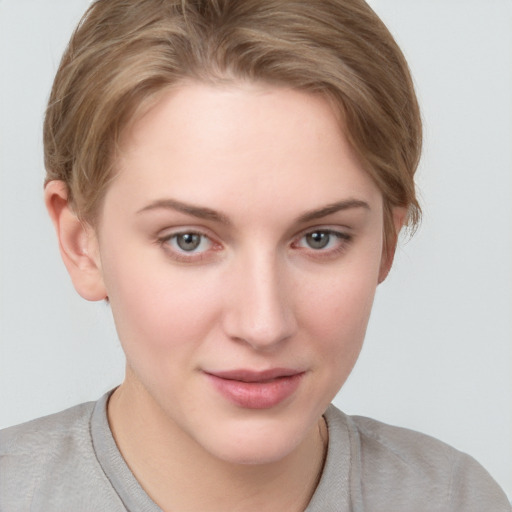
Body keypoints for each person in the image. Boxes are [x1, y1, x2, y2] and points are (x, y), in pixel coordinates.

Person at [0, 0, 510, 510]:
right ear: (80, 243)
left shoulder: (457, 499)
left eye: (319, 238)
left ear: (386, 242)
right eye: (189, 240)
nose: (263, 326)